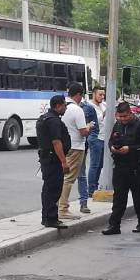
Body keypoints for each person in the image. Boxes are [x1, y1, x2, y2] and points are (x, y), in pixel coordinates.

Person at [103, 101, 140, 235]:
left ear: (130, 113)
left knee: (138, 196)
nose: (122, 119)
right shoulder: (117, 125)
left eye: (124, 116)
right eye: (120, 117)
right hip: (120, 165)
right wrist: (112, 148)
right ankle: (114, 225)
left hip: (136, 166)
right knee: (119, 196)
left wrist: (130, 149)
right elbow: (111, 141)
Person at [36, 95, 71, 229]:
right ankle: (50, 218)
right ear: (58, 106)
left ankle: (47, 217)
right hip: (53, 160)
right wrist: (64, 161)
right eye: (64, 105)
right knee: (54, 189)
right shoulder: (54, 121)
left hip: (47, 158)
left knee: (48, 189)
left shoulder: (44, 118)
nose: (66, 108)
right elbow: (56, 142)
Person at [58, 83, 90, 220]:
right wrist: (89, 126)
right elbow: (83, 132)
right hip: (76, 146)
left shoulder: (61, 108)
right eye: (81, 96)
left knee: (62, 177)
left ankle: (58, 206)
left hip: (64, 146)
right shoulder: (77, 110)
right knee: (69, 179)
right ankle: (63, 208)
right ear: (78, 95)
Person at [86, 86, 106, 198]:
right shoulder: (89, 106)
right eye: (100, 94)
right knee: (94, 164)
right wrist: (103, 114)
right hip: (95, 137)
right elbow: (91, 122)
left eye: (103, 95)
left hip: (104, 137)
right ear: (94, 94)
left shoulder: (104, 105)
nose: (102, 97)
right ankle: (91, 189)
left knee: (100, 164)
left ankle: (96, 186)